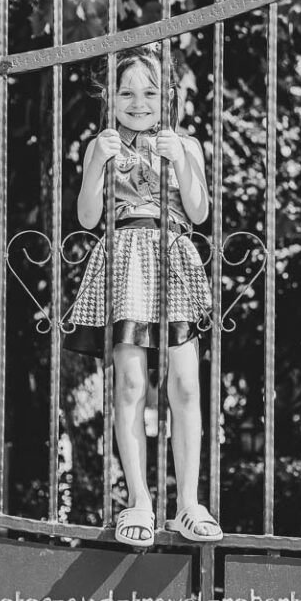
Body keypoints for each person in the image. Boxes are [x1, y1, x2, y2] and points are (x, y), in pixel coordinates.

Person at [65, 44, 221, 547]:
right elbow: (87, 217)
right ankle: (139, 501)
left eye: (150, 93)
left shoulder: (186, 144)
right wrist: (96, 164)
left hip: (172, 253)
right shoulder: (101, 145)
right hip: (126, 255)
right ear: (109, 97)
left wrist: (182, 162)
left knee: (186, 383)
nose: (138, 103)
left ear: (168, 96)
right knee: (131, 381)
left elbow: (199, 213)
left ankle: (189, 503)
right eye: (127, 93)